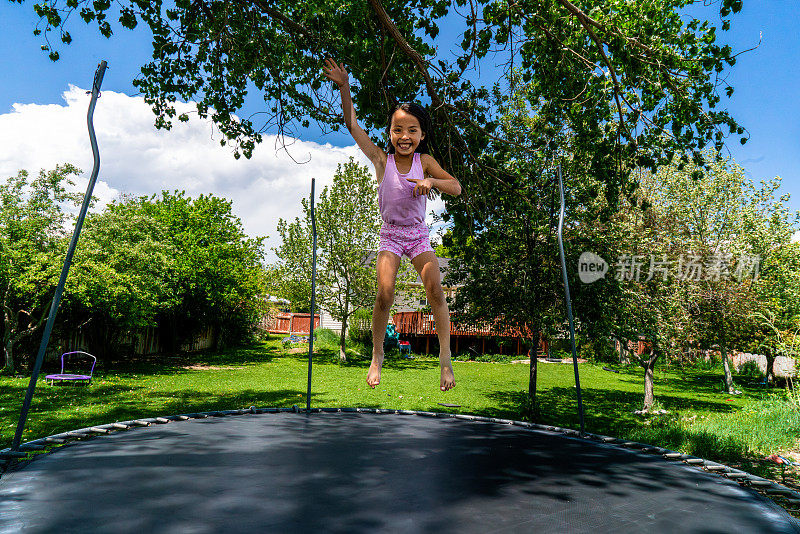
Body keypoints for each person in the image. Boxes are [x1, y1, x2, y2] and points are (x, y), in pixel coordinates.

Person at [322, 58, 461, 391]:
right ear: (389, 133)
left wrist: (431, 181)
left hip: (417, 236)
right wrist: (344, 88)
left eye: (412, 130)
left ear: (421, 135)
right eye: (398, 129)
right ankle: (376, 356)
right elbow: (352, 124)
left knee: (435, 291)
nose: (404, 136)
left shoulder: (423, 161)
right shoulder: (380, 159)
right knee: (384, 295)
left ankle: (445, 362)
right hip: (391, 236)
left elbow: (456, 186)